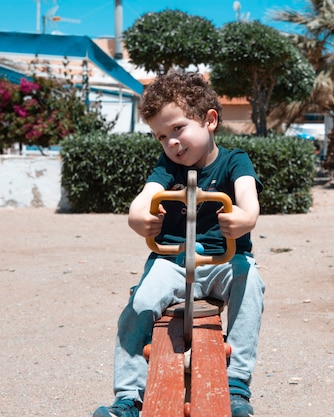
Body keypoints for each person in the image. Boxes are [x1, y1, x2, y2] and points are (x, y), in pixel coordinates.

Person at [93, 71, 265, 417]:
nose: (171, 142)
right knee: (139, 304)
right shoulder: (167, 167)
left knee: (251, 285)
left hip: (223, 260)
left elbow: (248, 197)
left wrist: (244, 218)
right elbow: (144, 200)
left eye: (178, 128)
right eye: (160, 136)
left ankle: (236, 385)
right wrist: (138, 217)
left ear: (210, 120)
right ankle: (129, 397)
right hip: (171, 261)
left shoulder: (235, 161)